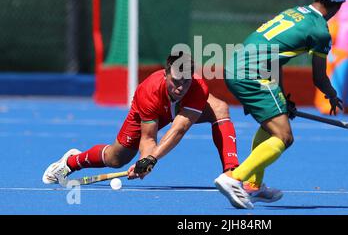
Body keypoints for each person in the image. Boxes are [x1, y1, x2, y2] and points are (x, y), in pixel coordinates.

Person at [42, 52, 280, 203]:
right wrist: (146, 160)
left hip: (179, 113)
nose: (180, 87)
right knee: (117, 158)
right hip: (151, 113)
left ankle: (232, 172)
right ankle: (71, 162)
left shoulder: (197, 88)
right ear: (166, 74)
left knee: (220, 109)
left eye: (186, 82)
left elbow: (178, 129)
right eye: (176, 81)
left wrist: (151, 160)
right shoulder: (149, 90)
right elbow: (149, 138)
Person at [214, 0, 348, 209]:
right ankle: (233, 178)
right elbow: (319, 78)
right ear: (338, 5)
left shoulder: (294, 12)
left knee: (272, 124)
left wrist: (281, 96)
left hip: (237, 66)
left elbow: (275, 58)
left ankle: (253, 186)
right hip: (252, 74)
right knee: (284, 137)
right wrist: (331, 93)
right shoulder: (320, 31)